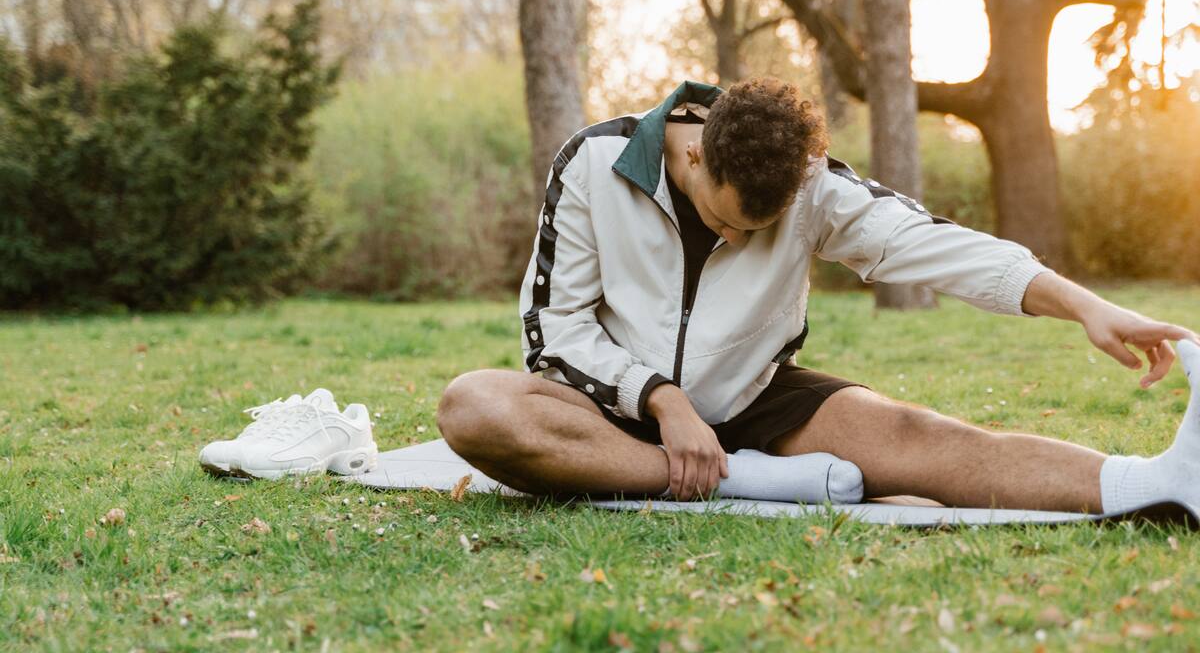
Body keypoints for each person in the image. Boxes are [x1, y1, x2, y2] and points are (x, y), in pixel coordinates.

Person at [436, 77, 1200, 514]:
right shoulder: (592, 163)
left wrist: (1086, 305)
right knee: (475, 405)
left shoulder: (811, 184)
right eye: (722, 222)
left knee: (916, 434)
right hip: (612, 412)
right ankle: (745, 482)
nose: (736, 241)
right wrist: (665, 402)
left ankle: (1153, 483)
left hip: (757, 401)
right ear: (696, 154)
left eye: (757, 233)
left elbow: (935, 246)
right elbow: (554, 332)